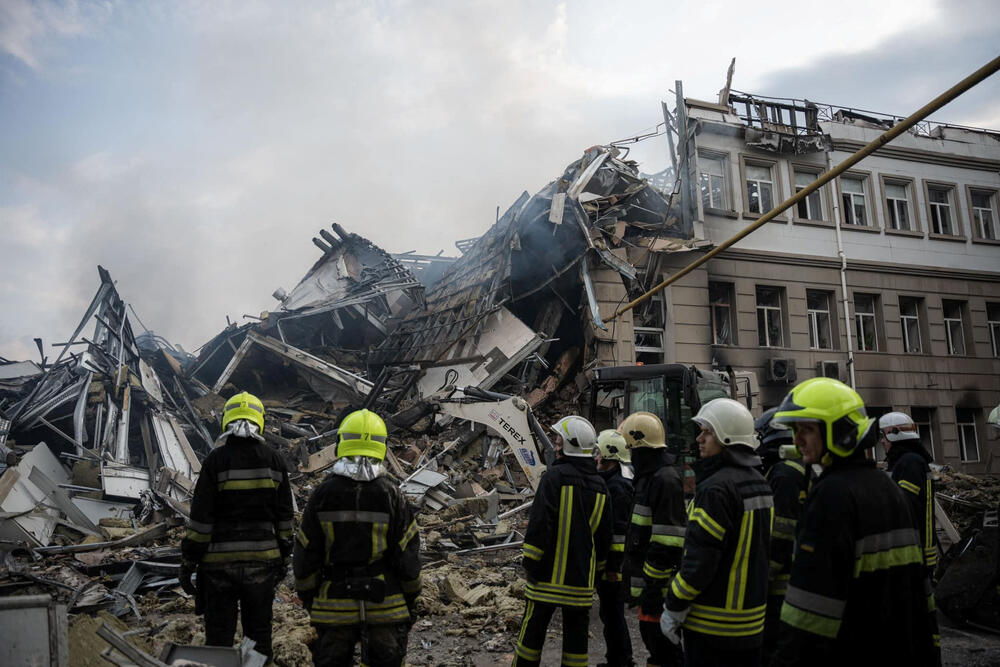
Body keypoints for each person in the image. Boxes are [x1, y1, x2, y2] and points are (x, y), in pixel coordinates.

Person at [769, 378, 940, 666]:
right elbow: (922, 595)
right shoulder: (888, 488)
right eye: (796, 430)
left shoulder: (831, 495)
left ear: (839, 432)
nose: (797, 441)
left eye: (807, 430)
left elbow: (809, 612)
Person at [293, 409, 421, 667]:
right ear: (382, 446)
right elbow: (408, 554)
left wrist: (309, 596)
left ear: (341, 443)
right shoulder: (392, 494)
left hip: (333, 608)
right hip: (385, 605)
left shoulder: (323, 494)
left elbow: (307, 552)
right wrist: (411, 600)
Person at [180, 391, 294, 660]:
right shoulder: (274, 460)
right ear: (260, 421)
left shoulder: (215, 461)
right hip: (263, 565)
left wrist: (189, 561)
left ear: (225, 420)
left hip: (218, 570)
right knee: (258, 636)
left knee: (218, 636)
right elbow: (285, 518)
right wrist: (284, 556)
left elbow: (201, 521)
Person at [659, 398, 772, 666]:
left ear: (727, 436)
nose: (699, 438)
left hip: (712, 628)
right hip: (752, 626)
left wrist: (673, 605)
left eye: (707, 431)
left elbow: (699, 561)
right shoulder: (760, 483)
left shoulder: (716, 489)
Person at [514, 415, 611, 667]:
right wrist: (598, 572)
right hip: (580, 583)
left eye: (558, 442)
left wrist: (530, 563)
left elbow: (539, 526)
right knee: (577, 647)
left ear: (570, 445)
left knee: (531, 639)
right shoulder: (601, 487)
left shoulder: (553, 478)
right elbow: (603, 538)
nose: (555, 447)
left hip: (545, 580)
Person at [620, 411, 685, 667]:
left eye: (632, 450)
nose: (630, 456)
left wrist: (653, 588)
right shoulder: (649, 479)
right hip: (651, 587)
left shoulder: (664, 481)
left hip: (659, 589)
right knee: (654, 644)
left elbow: (667, 542)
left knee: (664, 647)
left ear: (641, 448)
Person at [754, 407, 810, 664]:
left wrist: (764, 577)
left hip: (781, 585)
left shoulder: (784, 473)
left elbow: (781, 532)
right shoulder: (791, 468)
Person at [595, 429, 636, 667]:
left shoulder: (618, 487)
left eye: (598, 453)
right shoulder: (614, 480)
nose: (595, 457)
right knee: (609, 614)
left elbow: (618, 533)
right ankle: (617, 659)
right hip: (615, 564)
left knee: (613, 614)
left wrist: (612, 568)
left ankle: (622, 661)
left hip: (615, 567)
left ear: (608, 456)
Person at [879, 411, 938, 577]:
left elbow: (905, 509)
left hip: (913, 553)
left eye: (883, 436)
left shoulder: (909, 463)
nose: (882, 441)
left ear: (894, 434)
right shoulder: (903, 461)